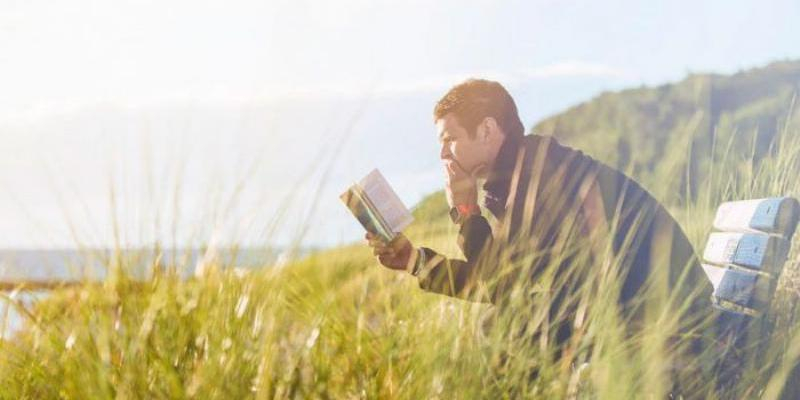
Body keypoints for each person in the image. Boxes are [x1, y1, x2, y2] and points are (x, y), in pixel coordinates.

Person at [365, 79, 715, 387]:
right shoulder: (522, 172)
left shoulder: (539, 177)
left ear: (486, 130)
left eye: (450, 139)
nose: (443, 153)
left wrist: (468, 212)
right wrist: (413, 260)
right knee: (508, 323)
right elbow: (503, 279)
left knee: (504, 326)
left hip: (670, 326)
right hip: (635, 311)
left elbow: (500, 285)